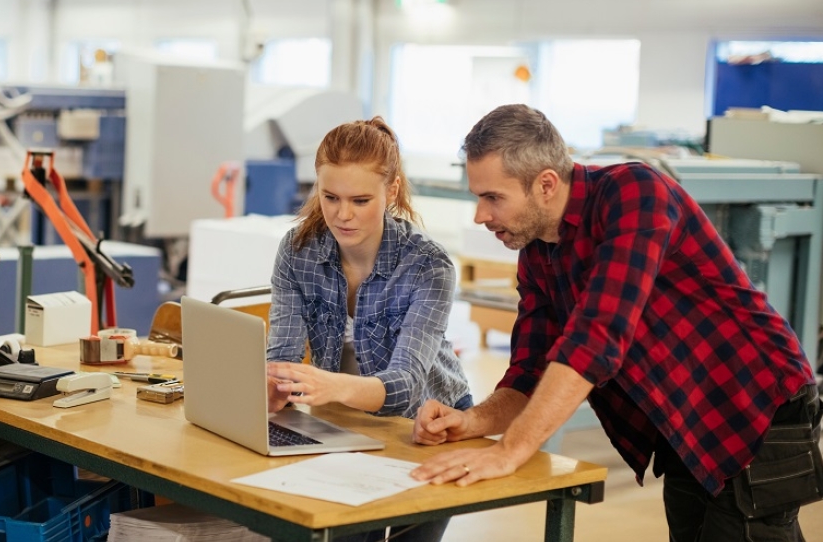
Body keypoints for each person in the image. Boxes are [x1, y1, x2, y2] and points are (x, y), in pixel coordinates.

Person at [408, 104, 822, 541]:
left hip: (755, 403)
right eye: (478, 197)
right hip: (686, 416)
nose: (480, 215)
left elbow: (597, 336)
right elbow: (529, 372)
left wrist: (511, 451)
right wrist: (471, 422)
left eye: (493, 197)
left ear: (546, 184)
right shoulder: (537, 254)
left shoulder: (635, 194)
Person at [266, 116, 472, 542]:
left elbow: (406, 386)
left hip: (430, 425)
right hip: (342, 417)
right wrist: (274, 384)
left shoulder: (429, 265)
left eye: (360, 200)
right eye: (330, 197)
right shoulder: (298, 250)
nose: (343, 215)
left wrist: (330, 386)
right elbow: (281, 354)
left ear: (391, 191)